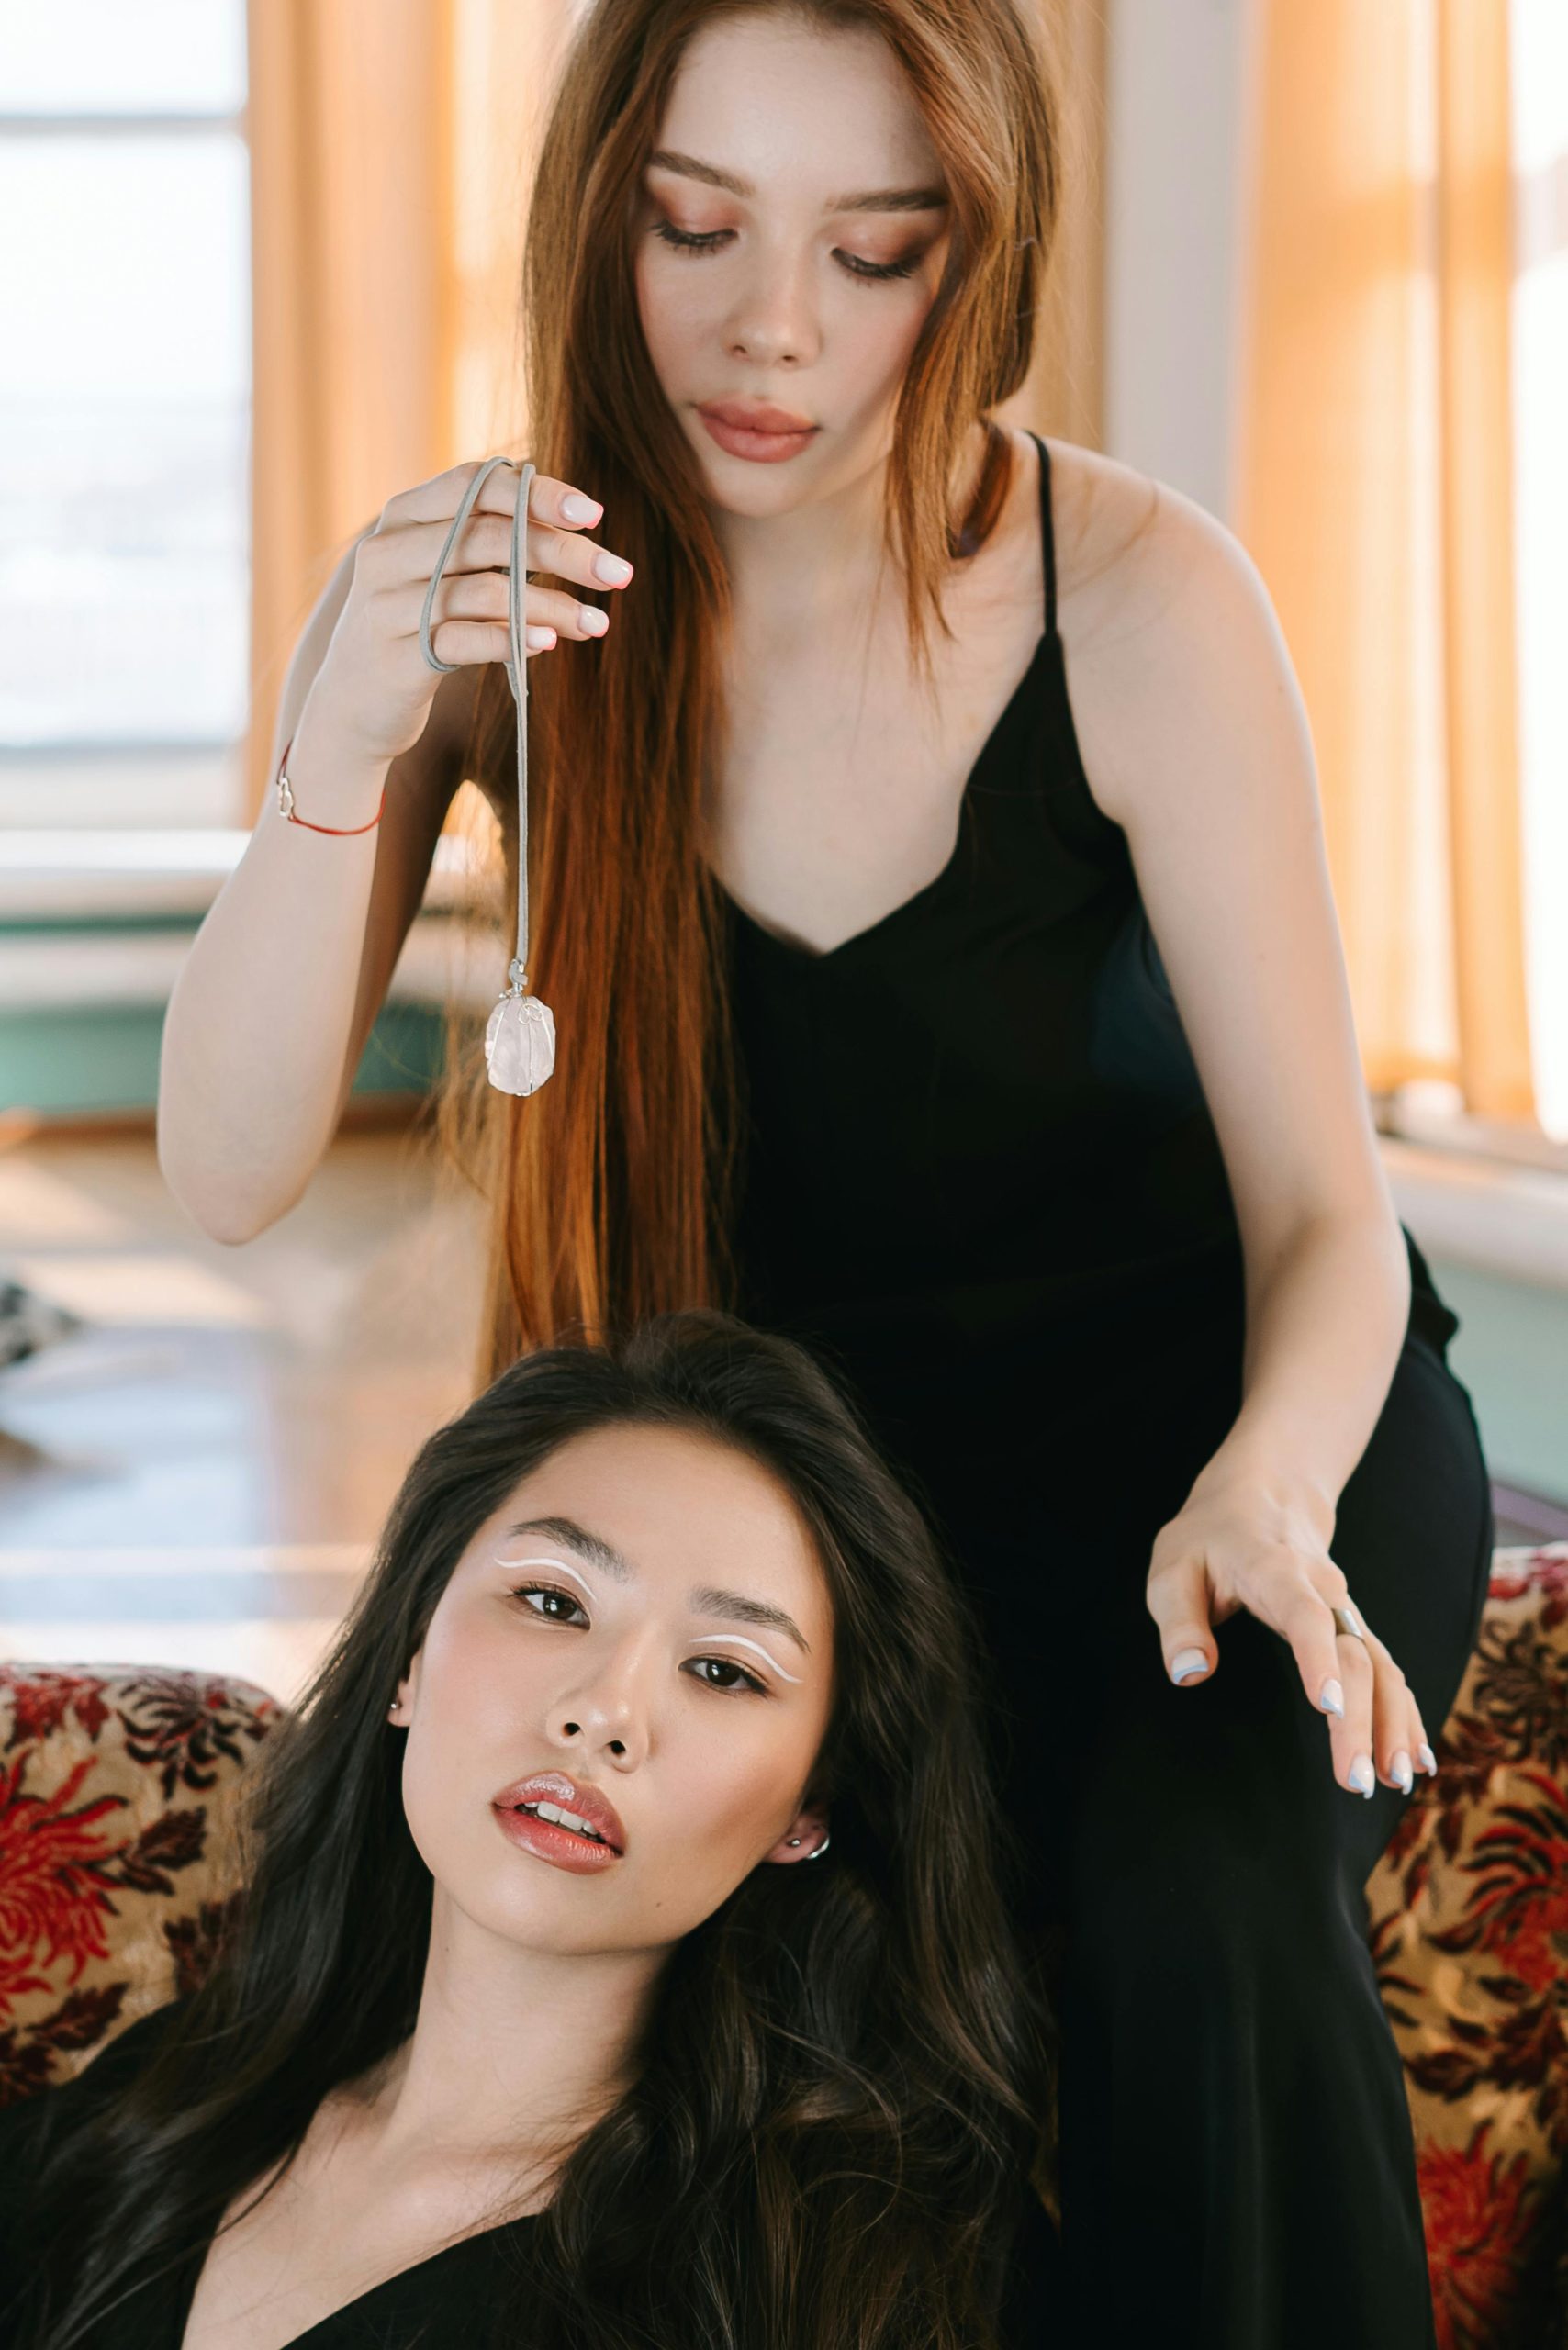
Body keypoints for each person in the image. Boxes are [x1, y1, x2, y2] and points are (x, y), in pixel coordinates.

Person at [156, 2, 1495, 2339]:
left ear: (977, 257)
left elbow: (1325, 1215)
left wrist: (1272, 1488)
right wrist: (342, 737)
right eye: (697, 229)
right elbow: (226, 1161)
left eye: (872, 252)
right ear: (599, 216)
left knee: (1186, 1891)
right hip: (825, 1540)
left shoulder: (1137, 594)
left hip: (1229, 1460)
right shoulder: (488, 610)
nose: (773, 330)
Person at [0, 1311, 1057, 2350]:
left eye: (721, 1669)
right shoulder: (160, 2104)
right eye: (553, 1602)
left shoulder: (834, 2278)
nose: (603, 1711)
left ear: (806, 1807)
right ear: (410, 1653)